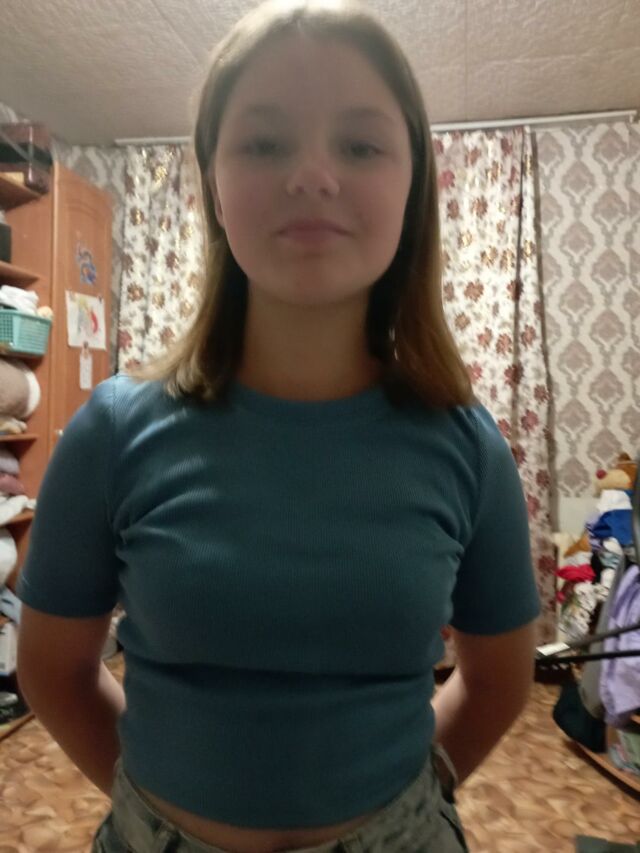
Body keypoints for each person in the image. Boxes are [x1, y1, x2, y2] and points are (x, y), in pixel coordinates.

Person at [15, 1, 542, 851]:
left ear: (415, 184)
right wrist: (158, 804)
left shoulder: (469, 447)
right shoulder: (111, 431)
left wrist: (412, 804)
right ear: (213, 184)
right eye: (264, 143)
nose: (312, 175)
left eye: (361, 145)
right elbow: (51, 668)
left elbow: (499, 680)